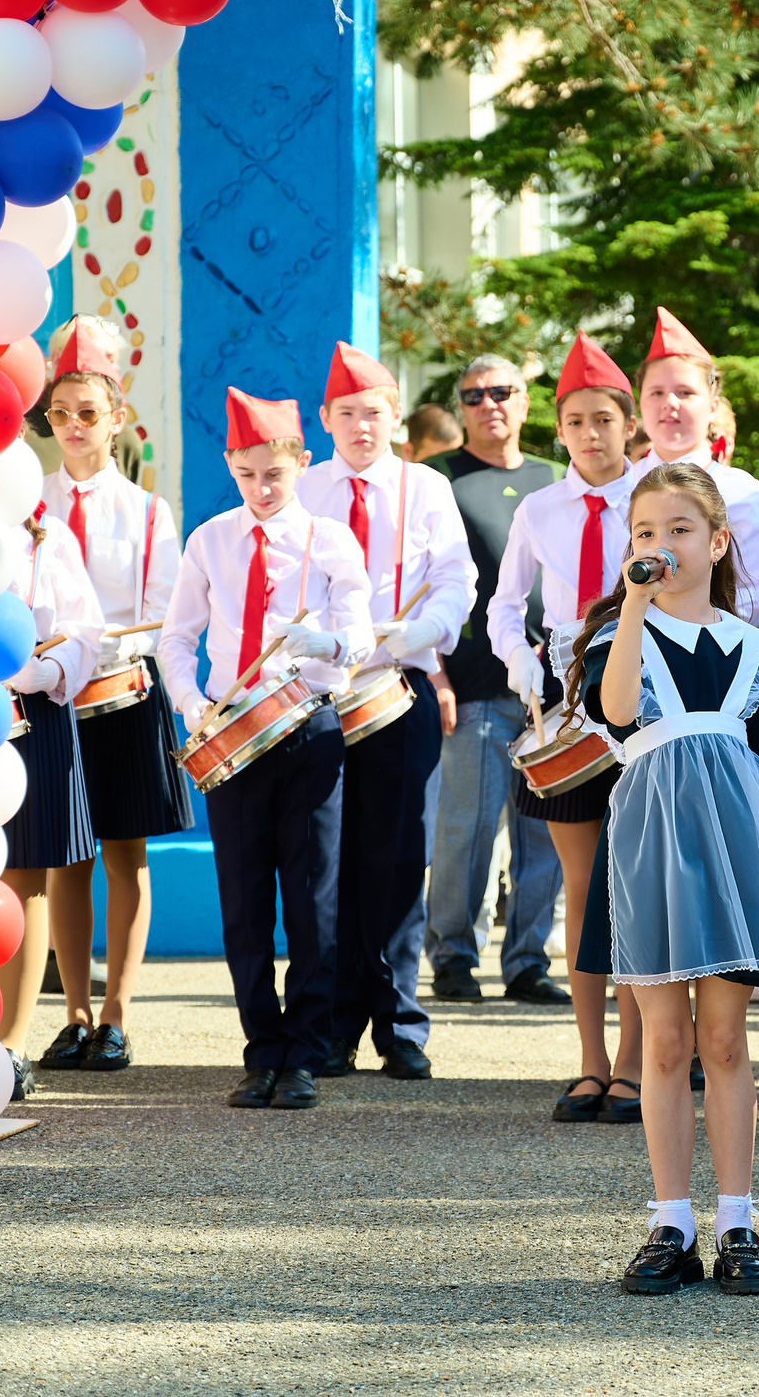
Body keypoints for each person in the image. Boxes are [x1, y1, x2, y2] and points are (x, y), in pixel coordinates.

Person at [575, 461, 759, 1297]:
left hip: (727, 850)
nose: (662, 546)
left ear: (718, 541)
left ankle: (738, 1220)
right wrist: (631, 610)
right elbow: (617, 712)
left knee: (724, 1039)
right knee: (663, 1040)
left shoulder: (756, 647)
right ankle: (670, 1219)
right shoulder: (619, 632)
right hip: (649, 846)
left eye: (681, 530)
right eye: (645, 533)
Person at [159, 388, 372, 1112]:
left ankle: (306, 1053)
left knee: (311, 897)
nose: (262, 487)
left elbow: (362, 632)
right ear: (230, 465)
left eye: (274, 473)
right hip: (231, 733)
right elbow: (177, 636)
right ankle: (261, 1050)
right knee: (243, 898)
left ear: (302, 463)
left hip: (306, 726)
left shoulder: (331, 538)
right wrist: (191, 702)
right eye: (247, 473)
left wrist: (330, 645)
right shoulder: (211, 538)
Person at [297, 342, 478, 1081]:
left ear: (394, 415)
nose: (361, 426)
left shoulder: (427, 487)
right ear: (325, 420)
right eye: (347, 413)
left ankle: (401, 1022)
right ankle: (336, 1024)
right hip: (324, 692)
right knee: (330, 859)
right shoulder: (303, 488)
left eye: (373, 411)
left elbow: (454, 580)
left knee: (400, 855)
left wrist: (423, 633)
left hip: (400, 689)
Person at [491, 334, 648, 1121]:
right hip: (562, 692)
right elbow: (501, 605)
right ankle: (589, 1062)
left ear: (630, 426)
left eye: (604, 419)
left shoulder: (659, 498)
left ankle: (637, 1060)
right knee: (581, 886)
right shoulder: (542, 509)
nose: (590, 433)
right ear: (560, 431)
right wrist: (525, 673)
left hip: (644, 691)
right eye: (576, 421)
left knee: (638, 881)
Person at [37, 320, 191, 1074]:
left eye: (87, 412)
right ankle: (69, 1012)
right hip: (49, 700)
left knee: (126, 851)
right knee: (66, 855)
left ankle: (118, 1014)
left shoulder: (150, 512)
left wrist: (100, 650)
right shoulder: (26, 507)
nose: (71, 425)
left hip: (124, 695)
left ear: (117, 417)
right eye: (59, 412)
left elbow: (163, 611)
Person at [425, 355, 564, 1007]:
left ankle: (529, 959)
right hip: (475, 684)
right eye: (473, 395)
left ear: (526, 400)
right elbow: (421, 578)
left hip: (555, 693)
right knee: (466, 829)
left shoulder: (555, 480)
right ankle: (453, 954)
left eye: (501, 392)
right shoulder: (436, 478)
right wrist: (437, 670)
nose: (488, 404)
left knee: (546, 835)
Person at [0, 496, 103, 1102]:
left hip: (31, 712)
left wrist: (50, 670)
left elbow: (86, 633)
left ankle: (10, 1044)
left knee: (26, 873)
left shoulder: (46, 534)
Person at [632, 309, 759, 623]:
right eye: (656, 392)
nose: (670, 403)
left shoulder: (743, 492)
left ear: (713, 406)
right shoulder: (619, 487)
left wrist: (694, 622)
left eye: (685, 392)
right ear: (640, 403)